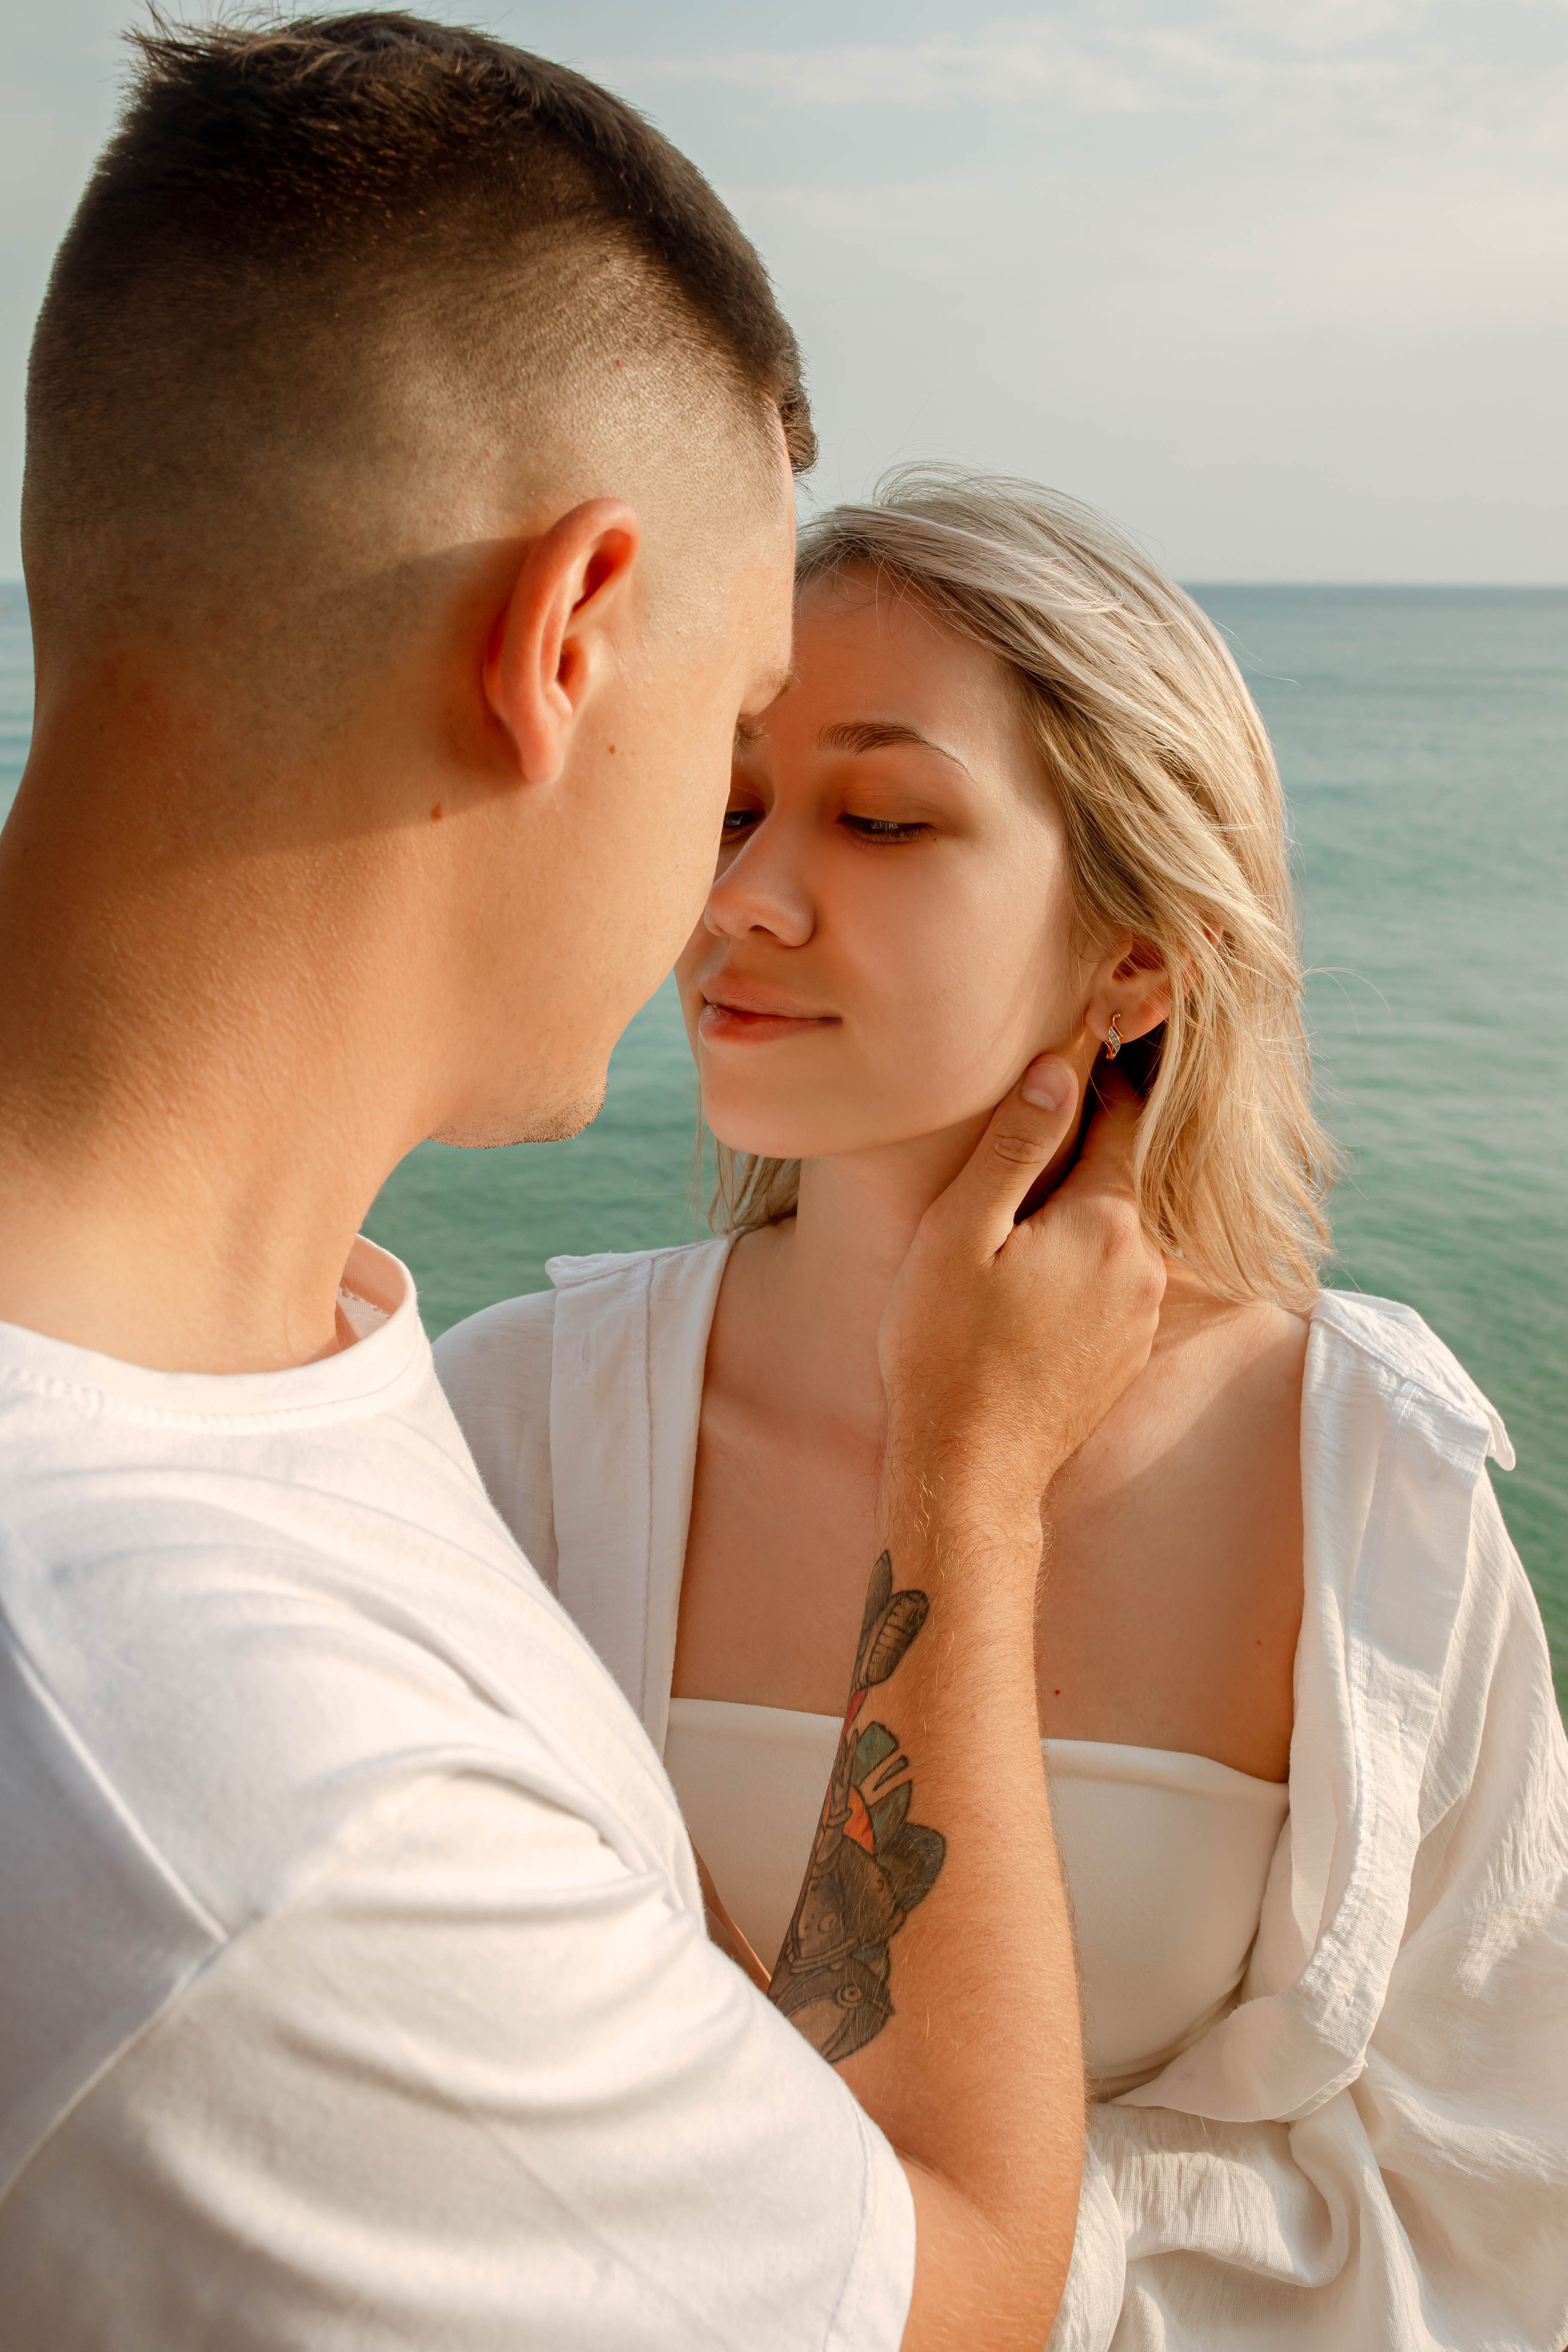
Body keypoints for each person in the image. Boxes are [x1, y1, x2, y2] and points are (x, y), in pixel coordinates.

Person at [0, 21, 1172, 2349]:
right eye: (736, 744)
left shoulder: (279, 1340)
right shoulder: (238, 1797)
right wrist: (968, 1487)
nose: (729, 884)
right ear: (564, 641)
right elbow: (957, 2299)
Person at [437, 469, 1568, 2349]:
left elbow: (1495, 2193)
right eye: (727, 805)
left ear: (1137, 952)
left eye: (881, 817)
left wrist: (926, 2269)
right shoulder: (514, 1430)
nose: (742, 898)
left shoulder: (1360, 1478)